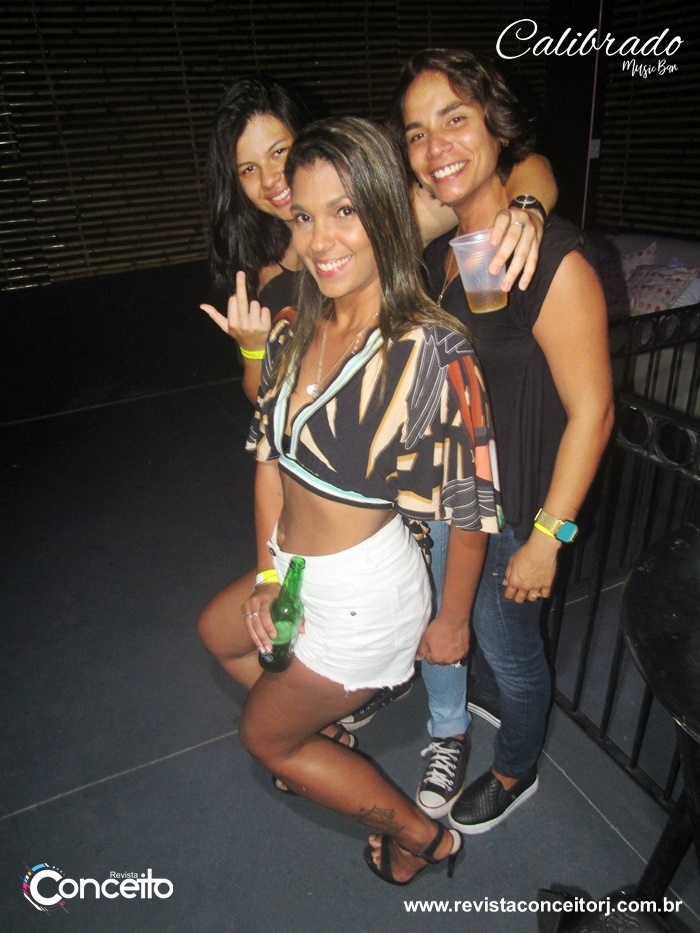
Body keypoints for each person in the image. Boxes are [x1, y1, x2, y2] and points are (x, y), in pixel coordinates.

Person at [197, 116, 501, 884]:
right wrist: (270, 573)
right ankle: (321, 734)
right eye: (304, 216)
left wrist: (453, 621)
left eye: (344, 211)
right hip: (296, 567)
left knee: (264, 739)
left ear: (385, 212)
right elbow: (269, 461)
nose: (320, 239)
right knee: (218, 632)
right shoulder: (294, 326)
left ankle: (423, 837)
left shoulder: (433, 349)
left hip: (366, 595)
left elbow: (469, 507)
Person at [388, 48, 614, 831]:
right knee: (486, 629)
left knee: (508, 644)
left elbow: (595, 412)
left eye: (455, 119)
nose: (436, 145)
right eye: (417, 132)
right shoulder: (458, 253)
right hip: (468, 498)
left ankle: (517, 768)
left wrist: (550, 537)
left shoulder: (547, 256)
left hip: (519, 506)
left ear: (496, 127)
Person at [199, 74, 557, 408]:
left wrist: (527, 210)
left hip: (398, 413)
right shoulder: (256, 265)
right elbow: (265, 399)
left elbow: (516, 166)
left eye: (279, 152)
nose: (270, 179)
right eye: (248, 169)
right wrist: (253, 351)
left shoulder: (381, 216)